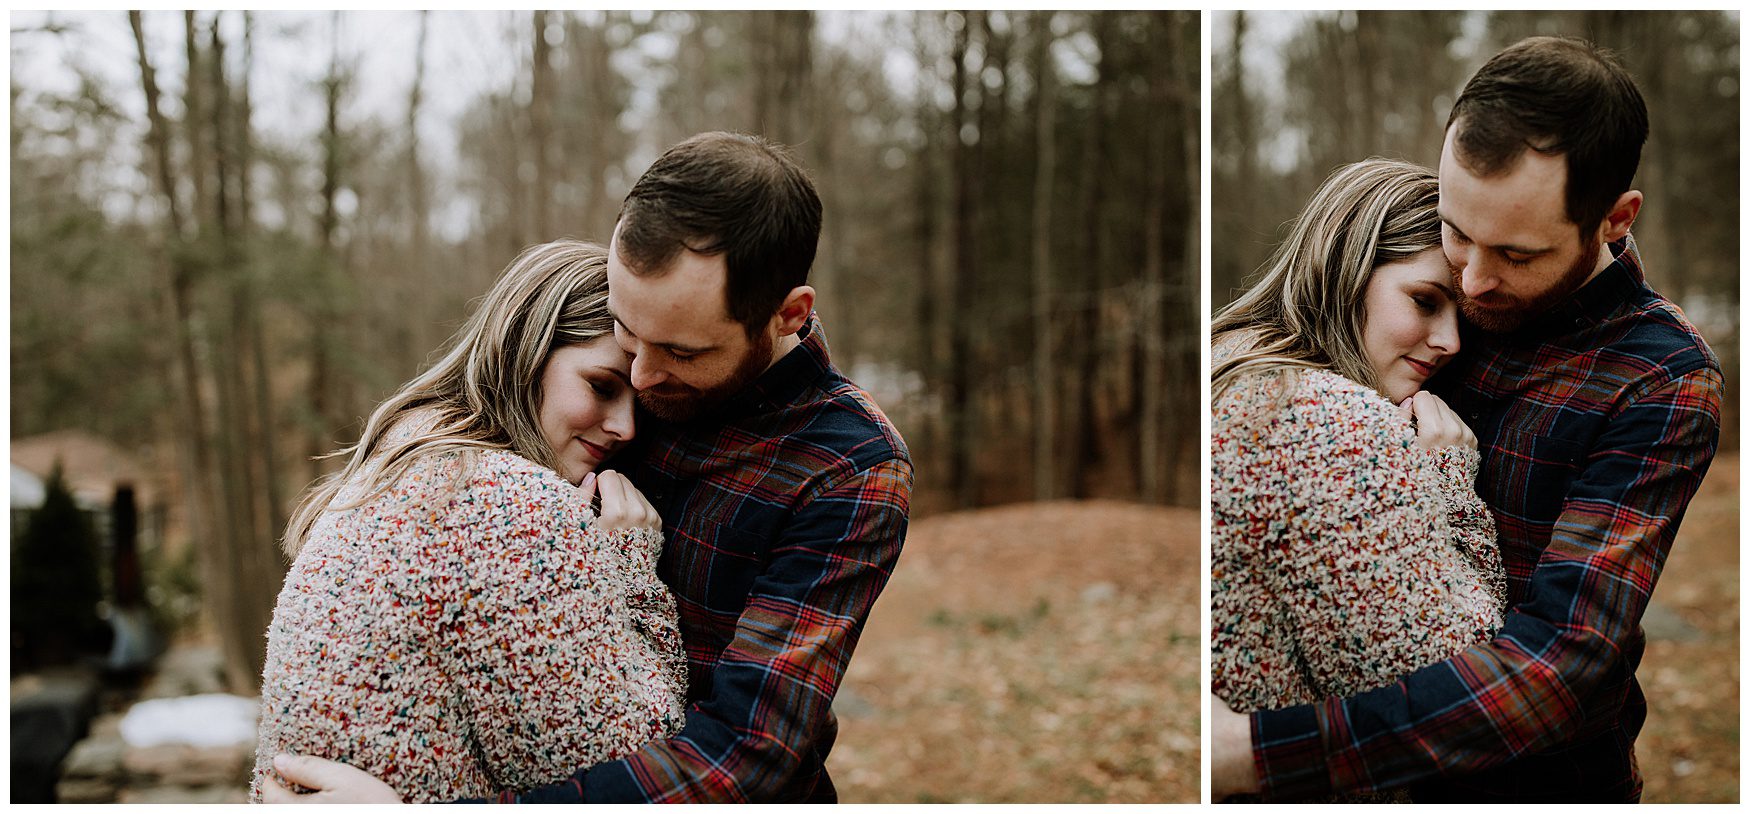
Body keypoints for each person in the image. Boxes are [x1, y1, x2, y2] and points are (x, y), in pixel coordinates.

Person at [264, 132, 914, 803]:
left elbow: (749, 754)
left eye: (680, 353)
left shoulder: (849, 465)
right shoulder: (523, 447)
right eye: (625, 333)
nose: (643, 377)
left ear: (788, 315)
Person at [1213, 36, 1723, 803]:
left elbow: (1564, 660)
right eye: (1456, 233)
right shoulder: (1409, 312)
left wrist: (1260, 756)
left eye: (1516, 255)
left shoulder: (1660, 379)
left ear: (1615, 219)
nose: (1475, 284)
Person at [251, 240, 687, 802]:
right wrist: (630, 567)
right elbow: (642, 770)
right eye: (600, 386)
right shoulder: (510, 508)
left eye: (639, 404)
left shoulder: (411, 457)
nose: (626, 427)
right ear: (524, 353)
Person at [1210, 159, 1506, 803]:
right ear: (1345, 272)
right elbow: (1456, 691)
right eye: (1424, 301)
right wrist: (1451, 484)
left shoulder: (1230, 364)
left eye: (1463, 316)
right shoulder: (1328, 419)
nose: (1451, 340)